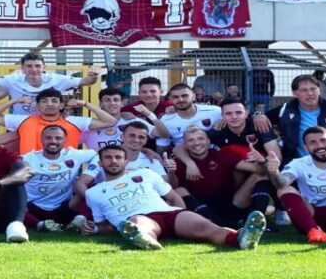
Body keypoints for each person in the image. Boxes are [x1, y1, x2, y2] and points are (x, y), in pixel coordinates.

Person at [80, 145, 266, 251]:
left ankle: (241, 238)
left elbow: (173, 195)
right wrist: (94, 229)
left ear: (126, 161)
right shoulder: (93, 192)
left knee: (207, 227)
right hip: (139, 218)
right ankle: (147, 241)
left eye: (118, 157)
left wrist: (180, 211)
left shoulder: (145, 173)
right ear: (100, 162)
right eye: (108, 158)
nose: (113, 161)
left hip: (169, 213)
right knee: (138, 223)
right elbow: (108, 225)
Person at [170, 126, 270, 228]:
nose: (196, 143)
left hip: (230, 204)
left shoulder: (221, 155)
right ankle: (220, 224)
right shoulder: (179, 162)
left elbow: (259, 171)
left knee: (260, 176)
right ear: (185, 145)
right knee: (179, 190)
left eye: (201, 139)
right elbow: (171, 188)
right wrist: (171, 172)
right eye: (191, 140)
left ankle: (256, 223)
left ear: (208, 141)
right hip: (200, 210)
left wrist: (262, 161)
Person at [0, 88, 118, 154]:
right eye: (44, 101)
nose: (49, 104)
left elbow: (110, 121)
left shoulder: (74, 121)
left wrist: (85, 104)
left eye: (54, 101)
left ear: (61, 105)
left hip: (64, 173)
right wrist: (14, 101)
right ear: (38, 106)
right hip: (30, 173)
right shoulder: (24, 120)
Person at [256, 74, 326, 160]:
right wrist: (259, 115)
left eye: (313, 89)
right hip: (299, 165)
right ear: (295, 94)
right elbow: (261, 119)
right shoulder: (285, 110)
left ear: (319, 91)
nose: (310, 94)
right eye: (304, 90)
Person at [20, 125, 99, 232]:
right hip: (34, 209)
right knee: (10, 192)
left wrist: (87, 175)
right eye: (48, 138)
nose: (53, 141)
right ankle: (40, 225)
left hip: (66, 207)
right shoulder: (28, 158)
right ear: (41, 140)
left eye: (58, 138)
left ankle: (79, 219)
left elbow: (99, 154)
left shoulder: (73, 154)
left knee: (91, 184)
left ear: (65, 140)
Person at [0, 52, 99, 116]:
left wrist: (94, 76)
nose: (34, 70)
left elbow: (86, 81)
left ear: (44, 67)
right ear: (22, 68)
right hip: (21, 124)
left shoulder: (56, 79)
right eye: (29, 66)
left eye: (37, 66)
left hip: (50, 124)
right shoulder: (13, 79)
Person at [152, 83, 222, 150]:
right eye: (175, 97)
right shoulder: (165, 120)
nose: (180, 100)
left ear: (194, 97)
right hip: (182, 156)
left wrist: (224, 120)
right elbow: (162, 147)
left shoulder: (215, 111)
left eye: (185, 96)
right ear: (171, 99)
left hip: (213, 154)